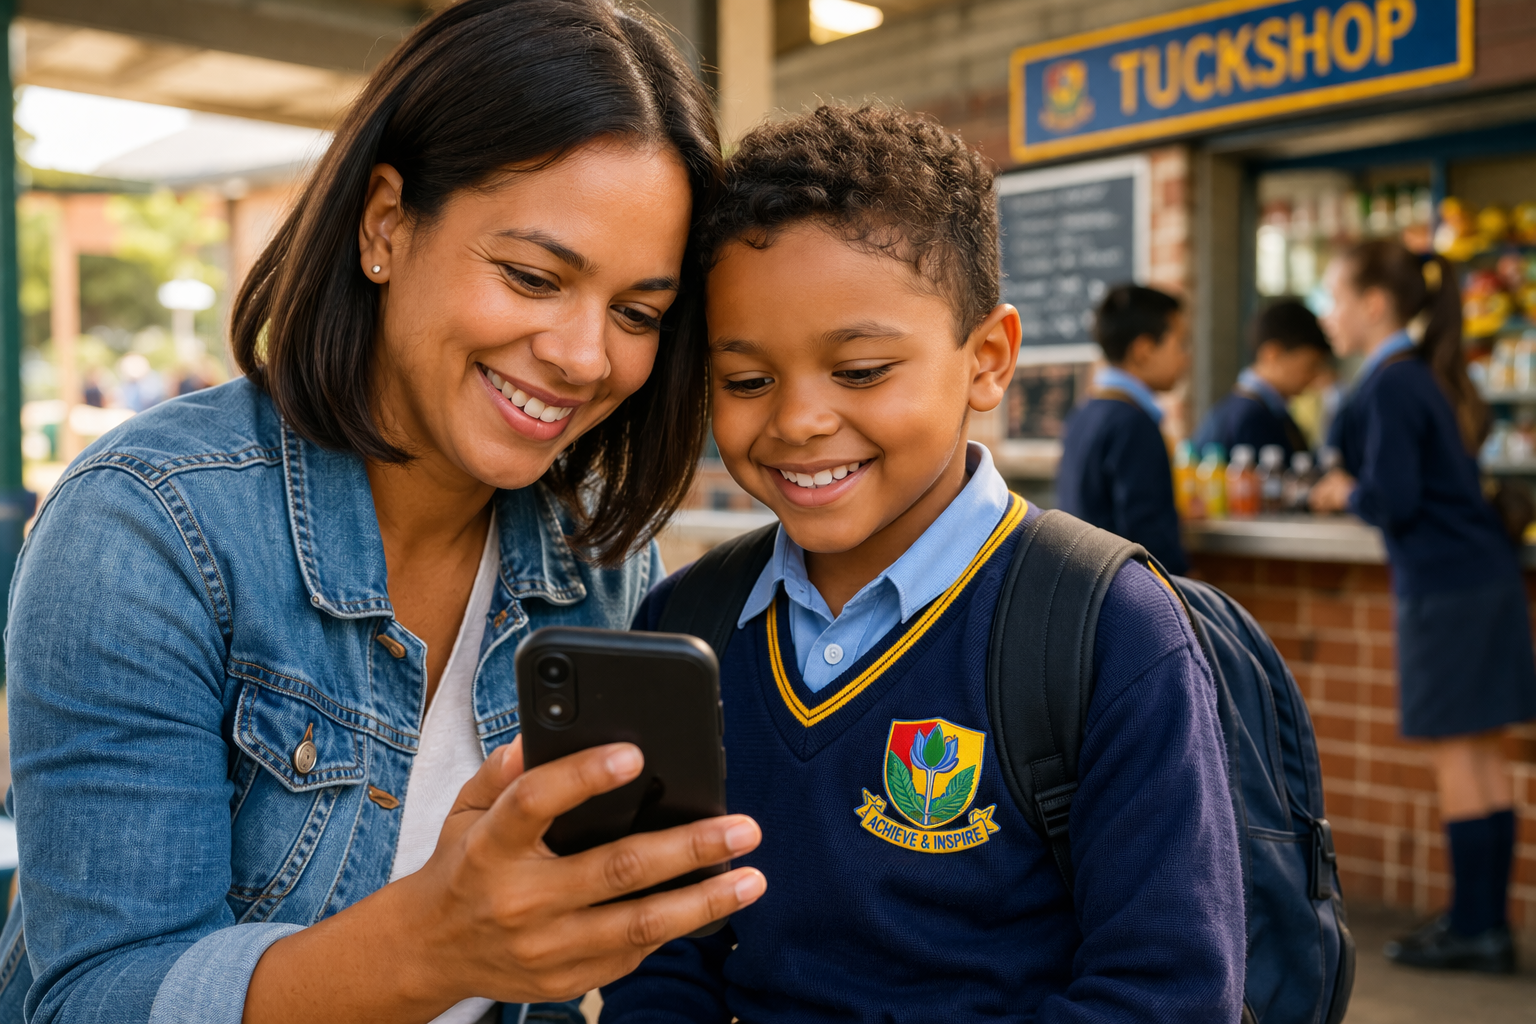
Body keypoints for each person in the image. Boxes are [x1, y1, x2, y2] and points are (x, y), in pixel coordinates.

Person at [0, 3, 770, 1023]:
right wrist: (435, 944)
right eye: (533, 276)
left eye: (638, 313)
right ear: (385, 226)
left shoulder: (592, 560)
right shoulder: (150, 529)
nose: (587, 357)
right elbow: (94, 995)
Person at [600, 105, 1244, 1023]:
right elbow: (660, 964)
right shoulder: (685, 627)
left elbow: (1166, 993)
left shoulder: (1105, 630)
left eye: (860, 371)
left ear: (987, 360)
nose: (798, 421)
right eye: (746, 381)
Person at [1310, 239, 1536, 973]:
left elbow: (1394, 499)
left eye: (1337, 296)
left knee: (1460, 758)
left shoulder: (1391, 384)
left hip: (1445, 589)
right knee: (1481, 755)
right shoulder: (1417, 377)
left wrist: (1347, 492)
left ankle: (1477, 927)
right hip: (1479, 582)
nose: (1329, 314)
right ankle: (1483, 921)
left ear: (1375, 304)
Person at [1057, 285, 1190, 573]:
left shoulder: (1084, 412)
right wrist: (1183, 590)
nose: (1186, 357)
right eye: (1181, 343)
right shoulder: (1134, 424)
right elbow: (1148, 533)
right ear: (1143, 351)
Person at [1193, 298, 1332, 461]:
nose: (1314, 377)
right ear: (1272, 355)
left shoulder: (1251, 410)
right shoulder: (1251, 419)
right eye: (1310, 366)